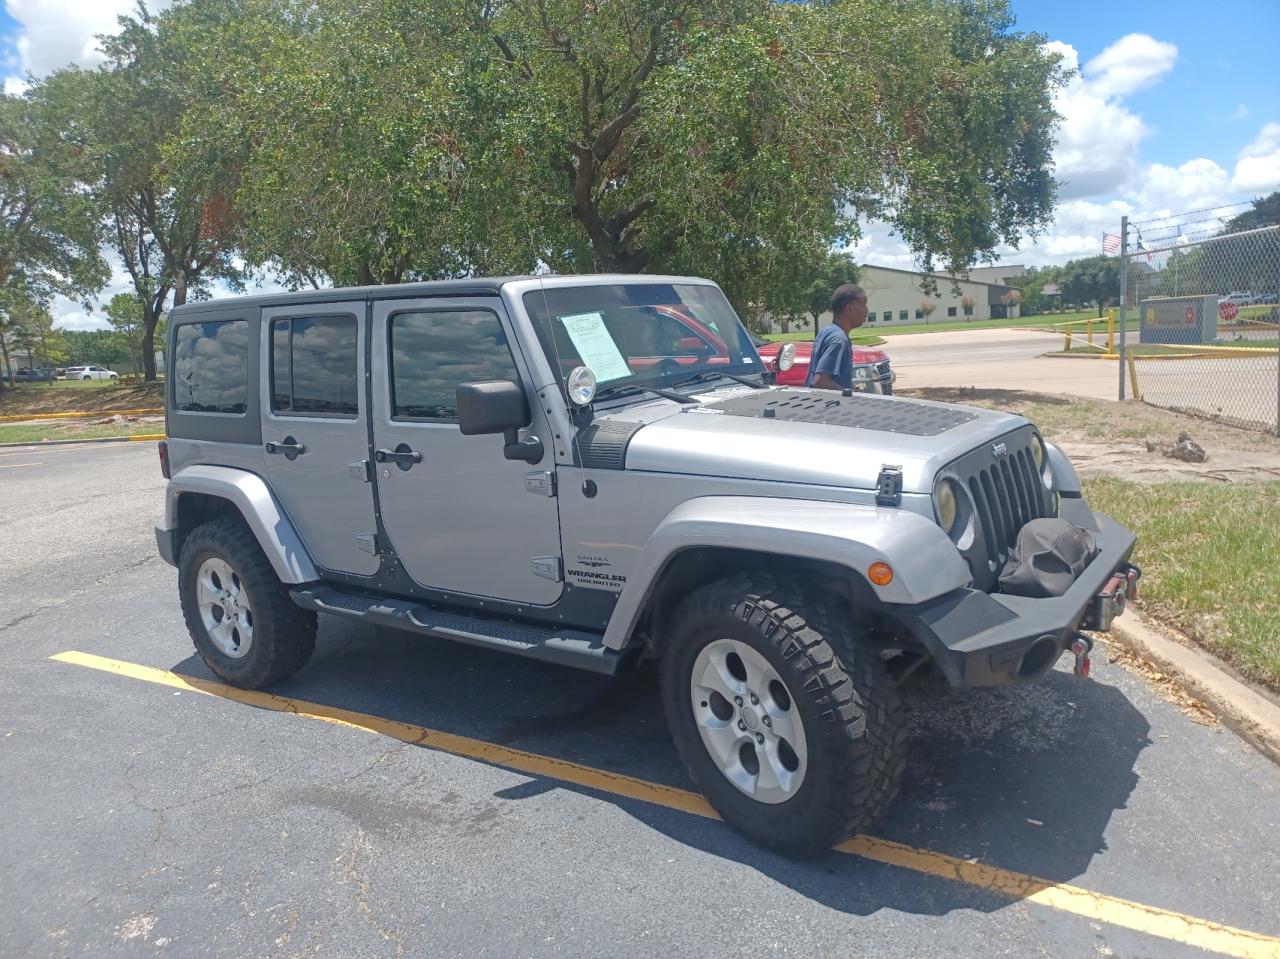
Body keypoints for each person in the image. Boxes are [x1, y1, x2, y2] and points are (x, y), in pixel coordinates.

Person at [805, 283, 869, 390]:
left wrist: (851, 388)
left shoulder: (827, 331)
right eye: (863, 305)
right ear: (849, 308)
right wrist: (851, 394)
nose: (867, 310)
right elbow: (820, 382)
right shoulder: (838, 340)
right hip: (829, 406)